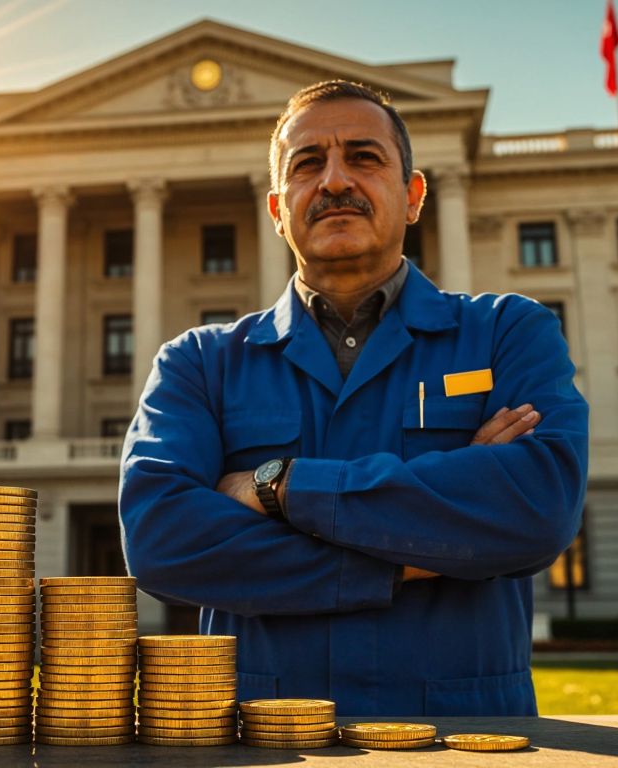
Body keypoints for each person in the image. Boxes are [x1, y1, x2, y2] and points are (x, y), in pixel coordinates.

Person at [118, 80, 589, 716]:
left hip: (465, 739)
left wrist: (276, 485)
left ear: (414, 195)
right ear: (278, 208)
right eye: (307, 164)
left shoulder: (508, 331)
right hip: (265, 742)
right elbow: (162, 542)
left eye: (364, 158)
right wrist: (410, 558)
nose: (335, 181)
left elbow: (536, 508)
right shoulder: (198, 362)